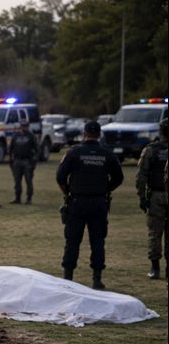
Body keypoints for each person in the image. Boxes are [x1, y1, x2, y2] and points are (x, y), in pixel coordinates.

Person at [56, 121, 124, 289]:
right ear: (99, 134)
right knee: (98, 241)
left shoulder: (74, 153)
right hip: (99, 202)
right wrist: (106, 190)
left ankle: (68, 277)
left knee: (72, 241)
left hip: (77, 202)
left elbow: (60, 176)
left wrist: (67, 192)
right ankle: (97, 279)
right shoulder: (107, 154)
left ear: (84, 133)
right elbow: (119, 178)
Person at [135, 118, 168, 280]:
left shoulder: (150, 150)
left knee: (155, 233)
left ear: (160, 131)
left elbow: (141, 176)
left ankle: (155, 268)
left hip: (156, 196)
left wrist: (142, 197)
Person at [8, 119, 39, 204]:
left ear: (28, 127)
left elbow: (37, 150)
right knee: (17, 181)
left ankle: (29, 198)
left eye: (25, 126)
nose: (23, 128)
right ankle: (17, 198)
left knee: (28, 181)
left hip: (27, 161)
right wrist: (10, 159)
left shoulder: (31, 136)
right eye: (22, 126)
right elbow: (11, 148)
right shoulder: (15, 136)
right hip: (17, 161)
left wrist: (34, 161)